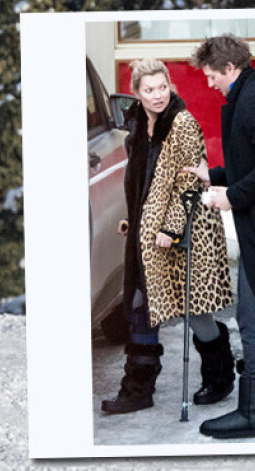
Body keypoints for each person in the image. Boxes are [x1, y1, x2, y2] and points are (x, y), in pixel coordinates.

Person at [101, 58, 233, 414]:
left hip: (186, 230)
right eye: (149, 90)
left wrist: (169, 228)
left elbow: (189, 181)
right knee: (141, 305)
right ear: (137, 93)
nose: (158, 95)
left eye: (163, 87)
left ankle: (219, 375)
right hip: (148, 231)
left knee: (195, 310)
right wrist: (134, 220)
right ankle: (138, 387)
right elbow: (142, 181)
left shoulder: (182, 123)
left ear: (170, 86)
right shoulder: (138, 125)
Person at [185, 34, 255, 438]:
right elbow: (249, 164)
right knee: (250, 316)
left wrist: (232, 197)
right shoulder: (245, 97)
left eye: (212, 75)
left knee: (249, 318)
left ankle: (250, 413)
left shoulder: (252, 102)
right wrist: (212, 177)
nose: (209, 83)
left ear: (230, 68)